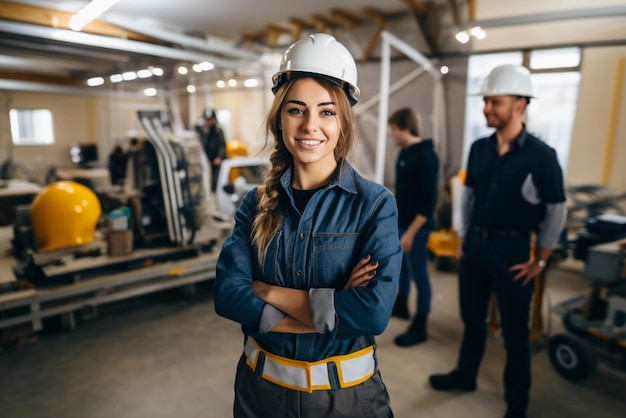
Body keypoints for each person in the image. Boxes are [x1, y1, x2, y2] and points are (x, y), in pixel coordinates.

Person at [214, 33, 402, 418]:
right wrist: (328, 311)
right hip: (260, 397)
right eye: (296, 110)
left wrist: (266, 290)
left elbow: (371, 314)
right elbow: (227, 295)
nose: (309, 125)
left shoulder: (374, 205)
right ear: (279, 117)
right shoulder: (255, 204)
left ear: (342, 120)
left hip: (346, 402)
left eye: (326, 111)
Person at [428, 64, 567, 418]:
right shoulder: (479, 149)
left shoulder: (542, 156)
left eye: (495, 102)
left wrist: (541, 260)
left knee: (515, 333)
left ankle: (516, 403)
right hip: (475, 245)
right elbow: (468, 195)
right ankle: (466, 374)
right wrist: (462, 236)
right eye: (486, 101)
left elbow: (555, 209)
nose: (486, 108)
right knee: (472, 319)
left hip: (514, 250)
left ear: (520, 104)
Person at [387, 108, 439, 347]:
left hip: (417, 227)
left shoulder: (426, 156)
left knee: (420, 275)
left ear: (406, 128)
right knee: (402, 270)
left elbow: (429, 203)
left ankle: (421, 324)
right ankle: (402, 306)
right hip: (402, 223)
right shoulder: (404, 153)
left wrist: (410, 233)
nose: (392, 135)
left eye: (394, 130)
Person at [195, 108, 226, 191]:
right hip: (206, 159)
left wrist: (219, 157)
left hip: (216, 160)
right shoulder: (202, 131)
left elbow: (222, 145)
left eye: (211, 119)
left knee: (217, 180)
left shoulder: (218, 131)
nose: (210, 121)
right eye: (208, 120)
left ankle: (216, 192)